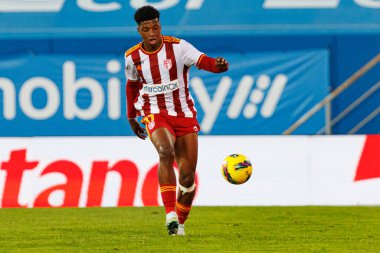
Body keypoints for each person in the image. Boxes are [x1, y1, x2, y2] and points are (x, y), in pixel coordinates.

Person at [124, 5, 228, 236]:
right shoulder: (132, 56)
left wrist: (219, 66)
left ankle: (178, 225)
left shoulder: (179, 47)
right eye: (146, 29)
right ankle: (169, 212)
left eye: (156, 27)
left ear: (160, 26)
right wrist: (132, 116)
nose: (152, 33)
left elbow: (204, 61)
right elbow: (132, 86)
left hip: (183, 114)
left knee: (188, 178)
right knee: (164, 151)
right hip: (154, 111)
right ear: (139, 30)